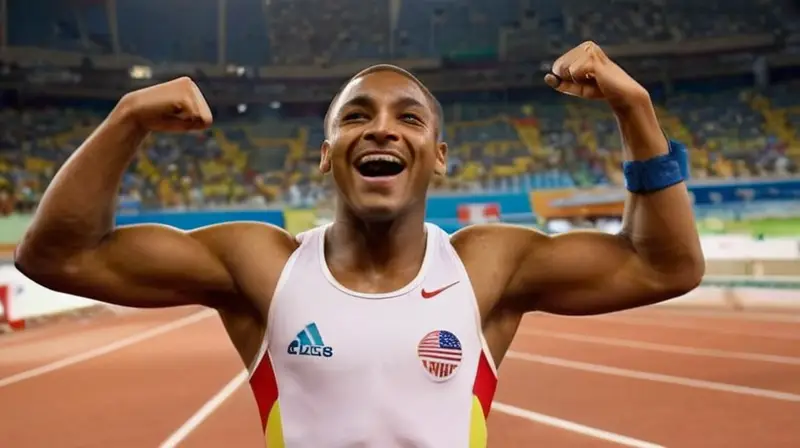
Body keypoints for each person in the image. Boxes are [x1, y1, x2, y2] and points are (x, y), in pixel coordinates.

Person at [15, 41, 704, 447]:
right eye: (355, 116)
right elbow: (57, 256)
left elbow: (664, 266)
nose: (381, 129)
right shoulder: (263, 266)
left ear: (437, 156)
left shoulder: (486, 266)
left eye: (407, 117)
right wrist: (128, 117)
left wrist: (634, 108)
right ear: (326, 153)